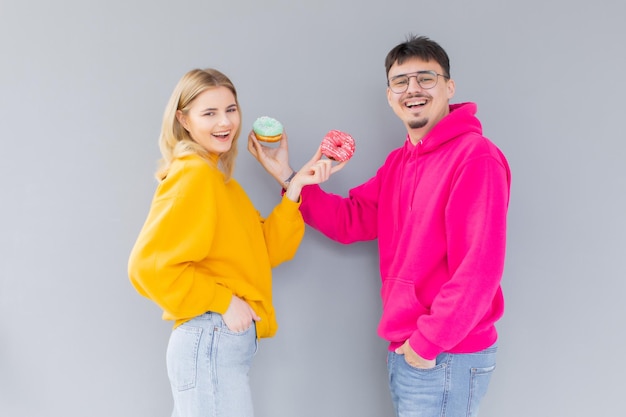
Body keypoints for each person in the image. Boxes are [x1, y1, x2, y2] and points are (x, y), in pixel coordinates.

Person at [248, 35, 511, 417]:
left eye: (426, 78)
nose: (412, 90)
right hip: (411, 349)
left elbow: (479, 269)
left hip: (446, 354)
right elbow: (349, 220)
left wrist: (426, 344)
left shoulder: (476, 157)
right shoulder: (399, 164)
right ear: (390, 96)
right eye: (400, 82)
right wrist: (290, 176)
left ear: (449, 87)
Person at [127, 68, 342, 417]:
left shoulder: (221, 183)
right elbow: (147, 267)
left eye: (230, 109)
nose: (224, 122)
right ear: (183, 119)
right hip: (209, 337)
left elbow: (267, 250)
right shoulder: (194, 174)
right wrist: (223, 302)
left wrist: (295, 188)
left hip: (215, 344)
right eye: (209, 113)